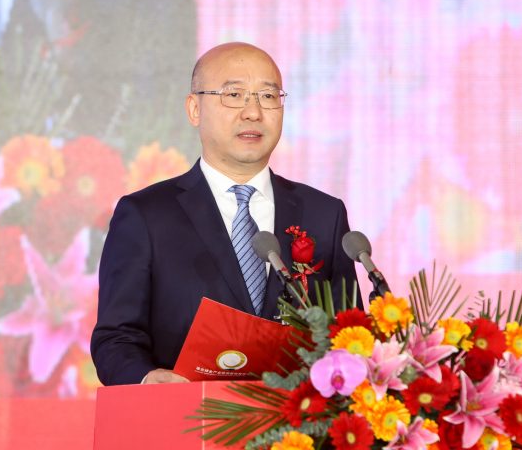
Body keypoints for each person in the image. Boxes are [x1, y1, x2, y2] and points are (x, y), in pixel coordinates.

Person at [91, 42, 358, 386]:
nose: (253, 112)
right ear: (194, 109)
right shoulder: (146, 216)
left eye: (268, 96)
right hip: (186, 415)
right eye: (234, 95)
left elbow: (349, 334)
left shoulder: (324, 214)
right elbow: (116, 338)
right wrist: (147, 378)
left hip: (296, 417)